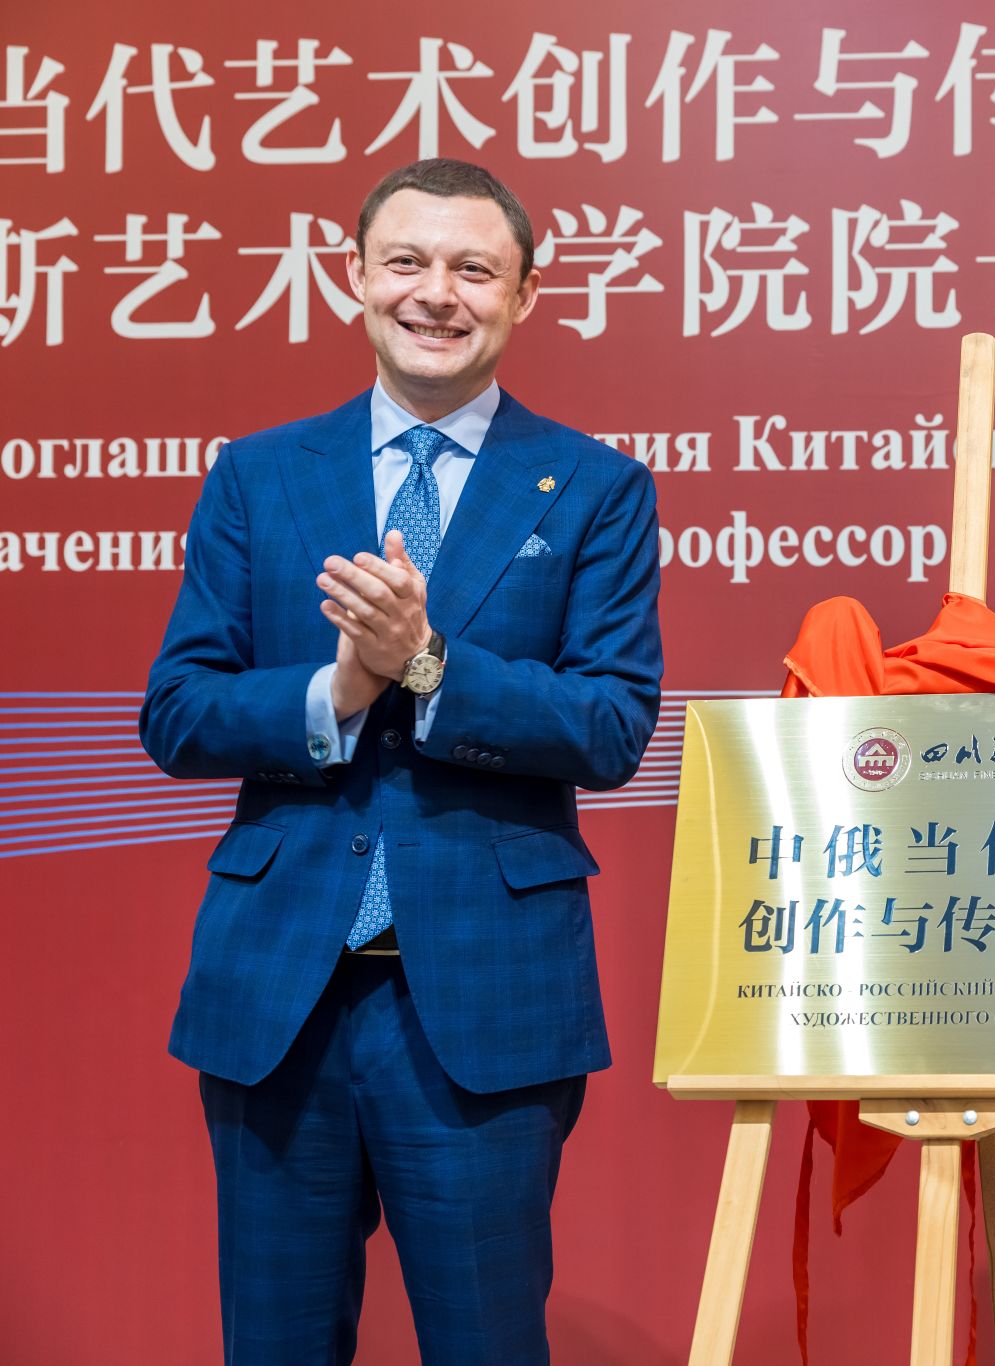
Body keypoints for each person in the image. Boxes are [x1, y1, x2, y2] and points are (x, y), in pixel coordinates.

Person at [139, 158, 662, 1364]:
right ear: (356, 278)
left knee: (486, 1341)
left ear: (524, 294)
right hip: (280, 997)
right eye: (408, 262)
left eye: (474, 269)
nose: (437, 293)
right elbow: (179, 710)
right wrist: (338, 690)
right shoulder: (261, 474)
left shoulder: (593, 487)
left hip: (483, 998)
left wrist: (427, 663)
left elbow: (610, 724)